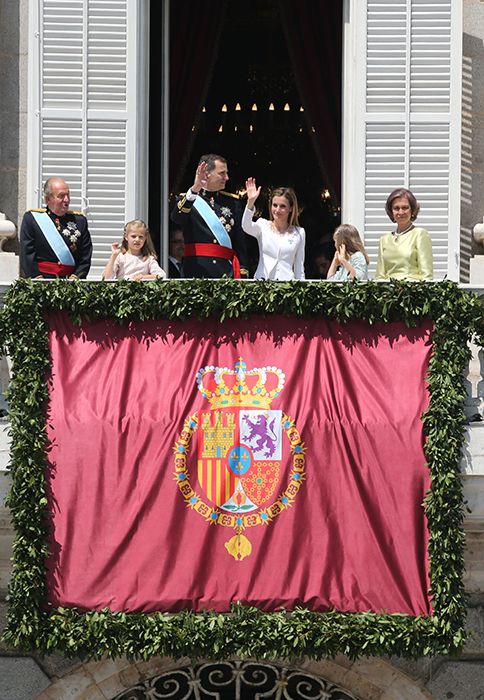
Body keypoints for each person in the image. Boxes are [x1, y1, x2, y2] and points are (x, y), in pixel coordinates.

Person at [170, 154, 248, 278]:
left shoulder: (233, 203)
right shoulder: (188, 199)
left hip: (225, 272)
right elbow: (176, 218)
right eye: (222, 173)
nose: (226, 178)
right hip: (196, 271)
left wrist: (243, 269)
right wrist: (195, 188)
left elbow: (240, 241)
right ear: (207, 174)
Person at [20, 177, 92, 278]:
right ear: (47, 199)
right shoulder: (32, 219)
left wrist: (76, 276)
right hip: (43, 281)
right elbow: (27, 253)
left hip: (71, 282)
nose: (66, 199)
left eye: (68, 195)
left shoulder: (79, 221)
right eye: (61, 196)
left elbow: (85, 255)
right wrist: (36, 278)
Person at [242, 178, 305, 280]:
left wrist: (301, 290)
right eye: (275, 205)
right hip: (263, 283)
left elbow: (299, 267)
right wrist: (250, 203)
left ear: (291, 208)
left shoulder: (299, 232)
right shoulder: (263, 225)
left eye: (283, 206)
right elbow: (246, 226)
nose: (277, 210)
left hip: (287, 286)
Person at [375, 188, 433, 280]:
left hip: (412, 291)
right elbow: (379, 276)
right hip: (388, 292)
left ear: (412, 210)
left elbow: (427, 275)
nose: (401, 212)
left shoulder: (419, 234)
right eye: (396, 208)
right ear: (391, 211)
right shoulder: (384, 239)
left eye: (405, 208)